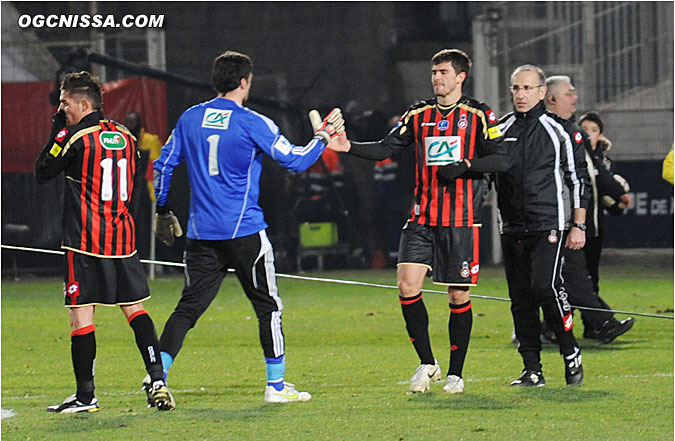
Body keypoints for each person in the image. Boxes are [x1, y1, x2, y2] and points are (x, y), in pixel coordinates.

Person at [151, 51, 345, 404]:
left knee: (188, 308)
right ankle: (275, 385)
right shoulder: (253, 122)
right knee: (267, 306)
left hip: (201, 234)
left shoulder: (190, 119)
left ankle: (157, 377)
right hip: (244, 233)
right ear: (245, 82)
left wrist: (163, 211)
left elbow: (162, 167)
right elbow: (296, 161)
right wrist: (323, 138)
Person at [325, 49, 510, 394]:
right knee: (407, 286)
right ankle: (427, 362)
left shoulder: (480, 114)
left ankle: (456, 373)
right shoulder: (418, 114)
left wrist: (467, 165)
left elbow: (503, 160)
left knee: (457, 296)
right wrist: (347, 146)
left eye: (443, 72)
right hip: (422, 217)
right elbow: (385, 148)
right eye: (433, 72)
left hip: (460, 219)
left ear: (460, 77)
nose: (436, 78)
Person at [35, 71, 174, 413]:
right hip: (122, 239)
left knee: (81, 317)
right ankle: (157, 379)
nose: (60, 107)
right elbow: (135, 177)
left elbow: (42, 170)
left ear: (84, 103)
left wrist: (56, 131)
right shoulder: (126, 136)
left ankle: (86, 397)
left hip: (84, 241)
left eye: (64, 102)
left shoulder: (74, 136)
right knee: (135, 309)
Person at [495, 65, 589, 387]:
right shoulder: (498, 129)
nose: (520, 94)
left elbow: (578, 180)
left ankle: (569, 349)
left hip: (548, 222)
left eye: (526, 88)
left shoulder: (560, 130)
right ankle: (532, 369)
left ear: (541, 93)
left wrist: (579, 224)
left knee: (545, 287)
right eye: (515, 88)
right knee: (520, 299)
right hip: (511, 226)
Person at [544, 77, 634, 343]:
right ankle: (592, 324)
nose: (575, 99)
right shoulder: (546, 131)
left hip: (575, 222)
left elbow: (590, 180)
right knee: (566, 278)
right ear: (551, 99)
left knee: (573, 277)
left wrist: (613, 200)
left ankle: (589, 324)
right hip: (552, 221)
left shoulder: (572, 133)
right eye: (570, 93)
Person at [124, 110, 163, 260]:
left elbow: (155, 167)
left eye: (133, 122)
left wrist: (154, 191)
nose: (130, 125)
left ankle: (153, 259)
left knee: (148, 226)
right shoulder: (124, 139)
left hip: (146, 191)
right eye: (128, 122)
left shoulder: (149, 140)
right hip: (128, 191)